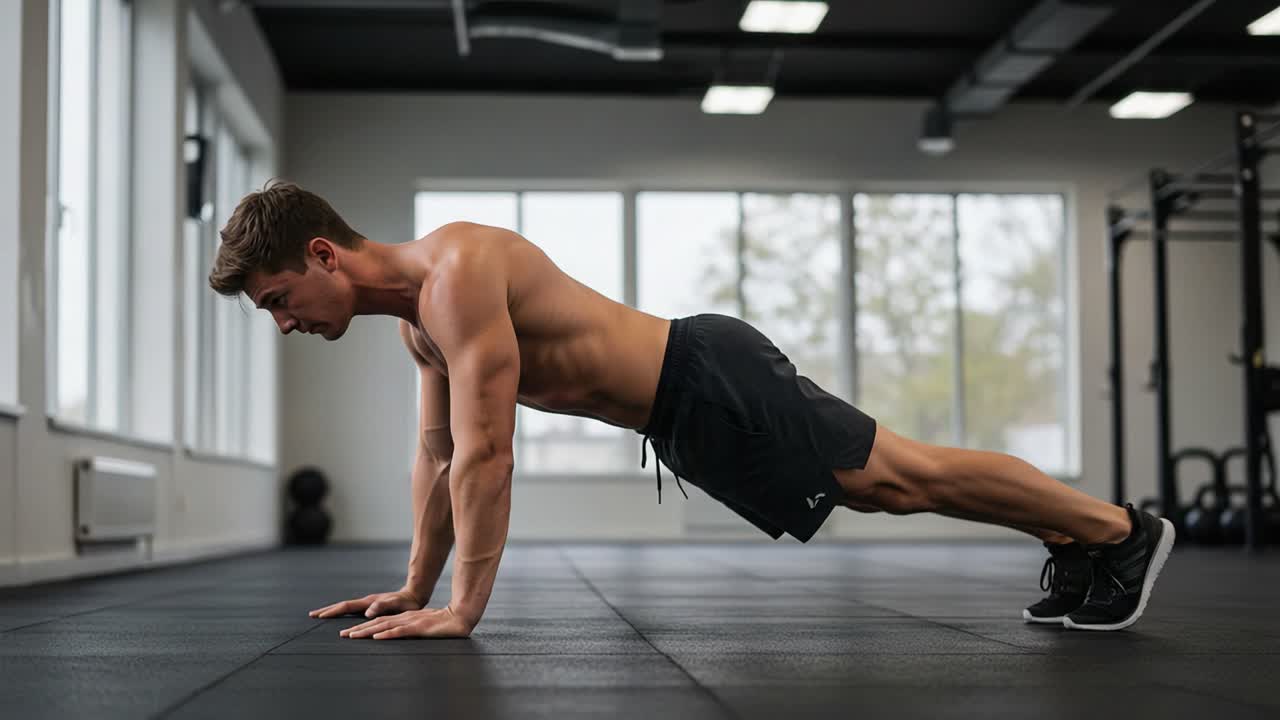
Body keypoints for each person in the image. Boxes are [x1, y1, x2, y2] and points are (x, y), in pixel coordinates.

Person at [209, 181, 1174, 639]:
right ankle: (1087, 541)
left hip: (705, 373)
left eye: (279, 301)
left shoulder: (455, 275)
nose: (284, 323)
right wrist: (415, 586)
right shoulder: (416, 324)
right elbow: (436, 454)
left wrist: (464, 608)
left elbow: (489, 456)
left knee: (900, 475)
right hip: (681, 412)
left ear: (324, 257)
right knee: (889, 492)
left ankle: (1118, 531)